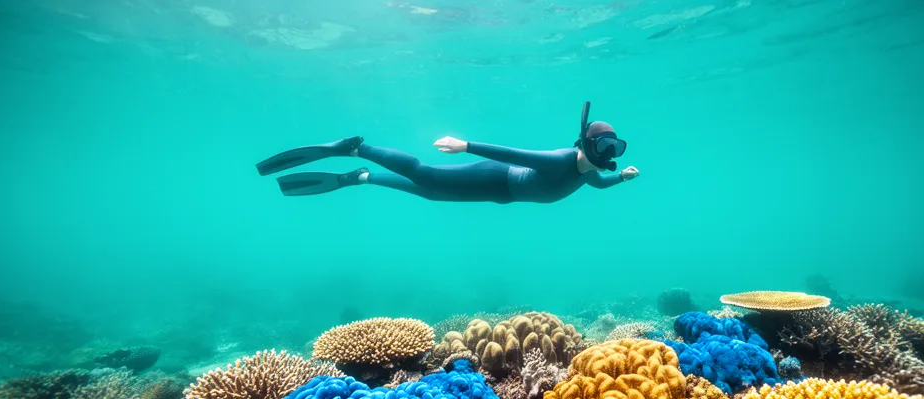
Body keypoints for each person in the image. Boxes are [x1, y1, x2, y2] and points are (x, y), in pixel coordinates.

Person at [255, 102, 639, 204]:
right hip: (496, 175)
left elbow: (599, 184)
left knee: (432, 194)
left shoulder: (589, 171)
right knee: (426, 175)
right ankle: (357, 148)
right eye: (605, 144)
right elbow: (513, 153)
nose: (610, 151)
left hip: (501, 194)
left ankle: (360, 178)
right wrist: (466, 145)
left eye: (615, 147)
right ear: (587, 143)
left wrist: (621, 177)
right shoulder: (560, 160)